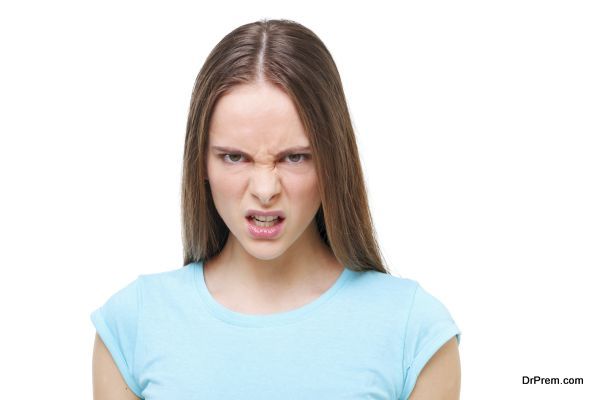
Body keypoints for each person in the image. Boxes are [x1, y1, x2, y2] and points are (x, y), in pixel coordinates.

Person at [90, 18, 461, 400]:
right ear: (200, 162)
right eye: (234, 157)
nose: (265, 190)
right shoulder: (132, 326)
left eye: (295, 158)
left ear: (333, 160)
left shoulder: (414, 333)